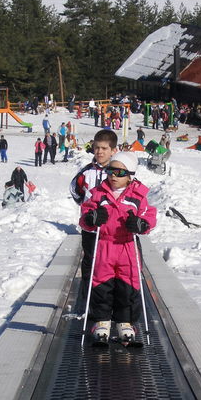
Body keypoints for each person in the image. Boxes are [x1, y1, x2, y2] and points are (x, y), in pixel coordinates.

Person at [79, 151, 156, 343]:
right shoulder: (98, 193)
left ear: (130, 176)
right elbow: (85, 214)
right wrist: (92, 218)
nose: (114, 175)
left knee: (128, 284)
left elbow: (148, 215)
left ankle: (125, 321)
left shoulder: (138, 195)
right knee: (101, 284)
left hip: (127, 246)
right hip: (104, 244)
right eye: (111, 171)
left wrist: (141, 224)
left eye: (120, 173)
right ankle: (102, 320)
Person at [70, 129, 118, 309]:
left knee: (113, 265)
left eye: (104, 148)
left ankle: (113, 303)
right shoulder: (86, 172)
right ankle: (89, 301)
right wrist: (86, 207)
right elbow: (74, 190)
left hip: (114, 229)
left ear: (113, 150)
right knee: (90, 262)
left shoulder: (119, 172)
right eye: (97, 148)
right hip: (91, 228)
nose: (100, 152)